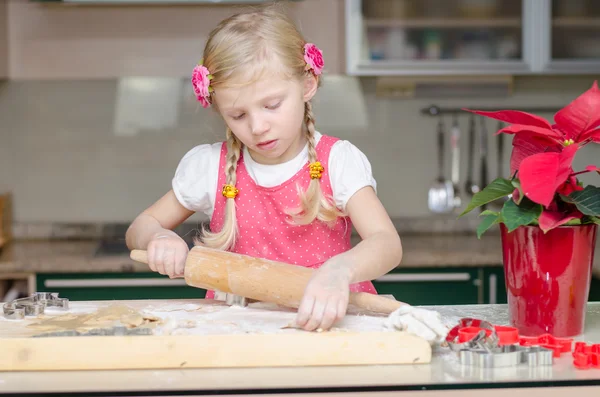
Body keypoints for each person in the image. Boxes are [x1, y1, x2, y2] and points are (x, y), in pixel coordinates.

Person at [125, 5, 403, 332]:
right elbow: (139, 228)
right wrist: (157, 236)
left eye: (271, 105)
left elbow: (387, 243)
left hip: (328, 326)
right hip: (237, 332)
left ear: (308, 84)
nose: (257, 127)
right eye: (237, 115)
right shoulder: (210, 166)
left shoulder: (336, 162)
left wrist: (338, 271)